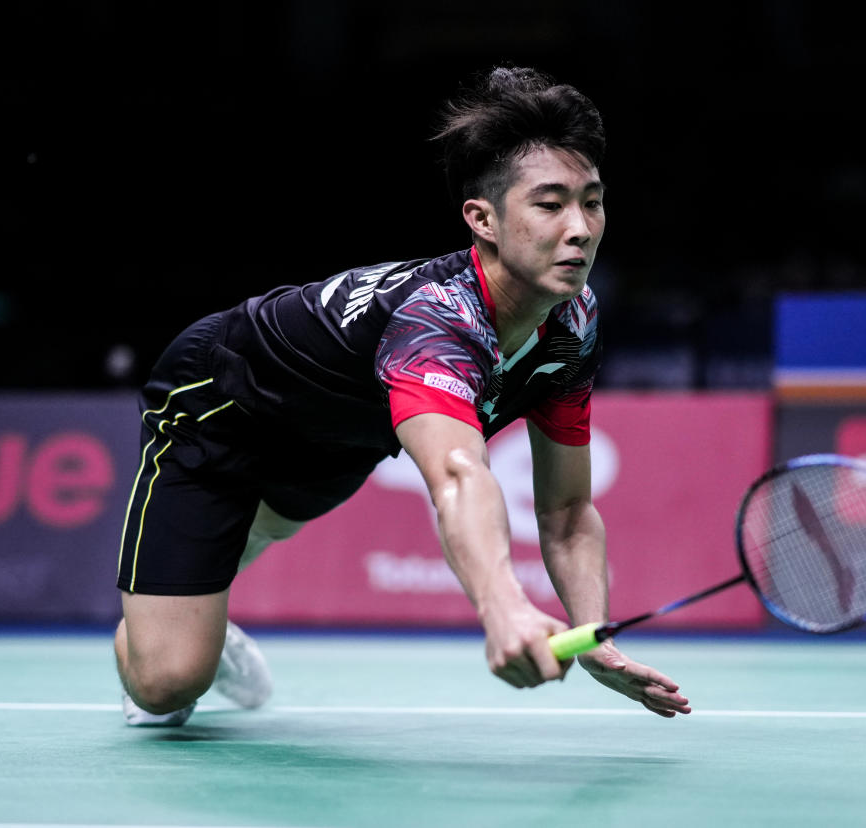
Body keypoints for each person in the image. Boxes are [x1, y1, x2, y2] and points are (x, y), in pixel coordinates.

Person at [114, 65, 692, 726]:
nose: (581, 227)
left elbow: (564, 510)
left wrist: (596, 637)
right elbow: (456, 475)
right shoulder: (435, 323)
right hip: (222, 404)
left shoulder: (572, 321)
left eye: (592, 200)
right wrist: (502, 604)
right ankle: (186, 643)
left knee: (225, 557)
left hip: (339, 436)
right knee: (167, 684)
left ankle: (194, 613)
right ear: (483, 219)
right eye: (550, 203)